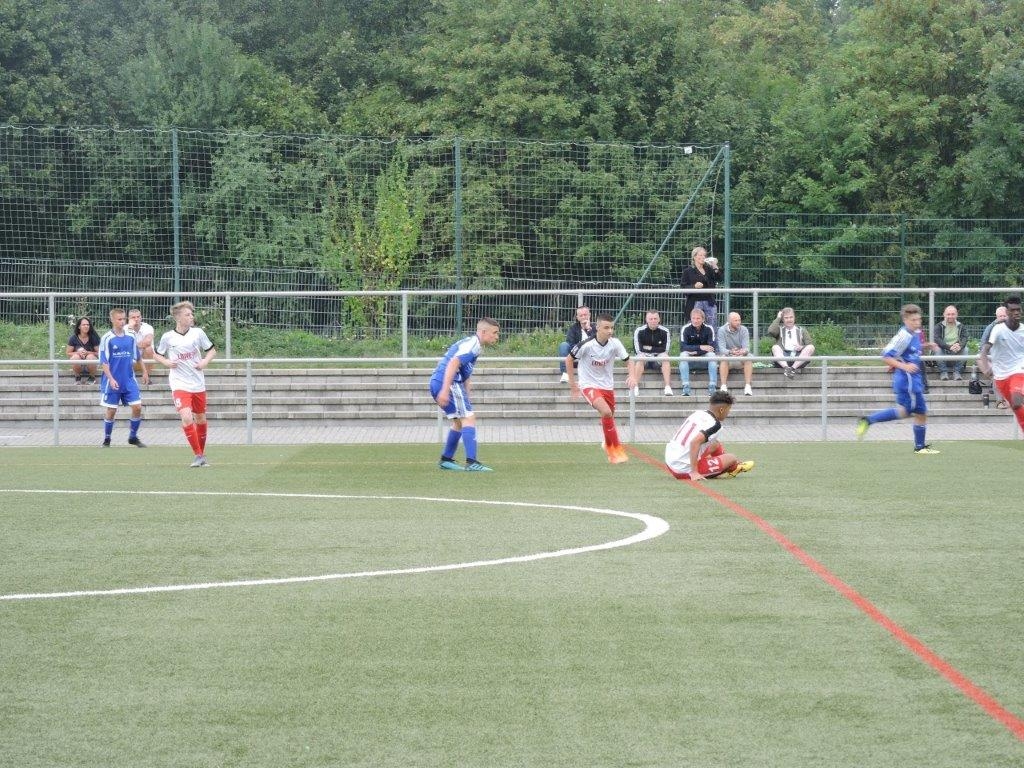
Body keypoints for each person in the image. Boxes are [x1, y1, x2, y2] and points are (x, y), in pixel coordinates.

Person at [855, 303, 940, 453]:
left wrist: (927, 345)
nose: (917, 322)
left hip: (913, 380)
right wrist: (904, 366)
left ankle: (920, 447)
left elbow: (912, 349)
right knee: (906, 412)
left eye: (919, 319)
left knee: (919, 413)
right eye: (913, 320)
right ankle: (868, 420)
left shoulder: (915, 332)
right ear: (905, 320)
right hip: (908, 382)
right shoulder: (903, 336)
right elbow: (886, 356)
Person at [430, 318, 501, 471]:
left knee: (459, 421)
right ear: (483, 332)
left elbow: (464, 373)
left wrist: (467, 394)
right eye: (494, 333)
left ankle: (446, 459)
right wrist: (445, 389)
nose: (497, 337)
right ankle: (472, 462)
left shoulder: (474, 345)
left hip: (438, 381)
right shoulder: (473, 344)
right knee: (468, 418)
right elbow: (453, 363)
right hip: (447, 382)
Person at [153, 300, 217, 468]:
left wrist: (204, 362)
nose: (191, 317)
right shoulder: (168, 337)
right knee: (187, 417)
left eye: (191, 314)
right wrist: (166, 362)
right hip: (179, 383)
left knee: (200, 418)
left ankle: (201, 455)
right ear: (178, 318)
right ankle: (198, 455)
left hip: (197, 382)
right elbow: (157, 354)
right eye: (188, 315)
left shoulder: (198, 333)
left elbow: (212, 350)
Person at [566, 312, 635, 464]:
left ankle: (606, 443)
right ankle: (614, 452)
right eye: (606, 328)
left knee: (609, 417)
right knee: (606, 412)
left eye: (612, 328)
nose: (610, 331)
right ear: (597, 327)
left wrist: (632, 376)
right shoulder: (586, 344)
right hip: (588, 385)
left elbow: (629, 361)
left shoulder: (615, 343)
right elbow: (569, 359)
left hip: (607, 386)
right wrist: (573, 385)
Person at [664, 390, 755, 481]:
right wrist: (694, 472)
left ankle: (729, 466)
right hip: (682, 469)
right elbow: (694, 442)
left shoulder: (698, 413)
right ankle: (732, 466)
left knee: (715, 444)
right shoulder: (715, 425)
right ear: (721, 410)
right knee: (732, 458)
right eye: (729, 409)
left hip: (670, 459)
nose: (728, 412)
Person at [98, 307, 145, 448]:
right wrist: (111, 379)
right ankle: (107, 439)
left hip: (129, 379)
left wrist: (144, 372)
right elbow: (104, 362)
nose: (122, 321)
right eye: (119, 319)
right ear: (112, 320)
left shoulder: (130, 336)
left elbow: (137, 356)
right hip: (113, 380)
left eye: (123, 319)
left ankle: (133, 437)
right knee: (111, 411)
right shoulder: (107, 338)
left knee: (137, 407)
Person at [978, 295, 1024, 431]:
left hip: (1018, 370)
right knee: (1016, 408)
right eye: (1013, 310)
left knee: (1016, 401)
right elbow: (985, 349)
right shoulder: (998, 329)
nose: (1016, 312)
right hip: (1000, 376)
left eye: (1018, 310)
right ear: (1007, 312)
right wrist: (986, 367)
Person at [630, 309, 673, 396]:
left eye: (655, 318)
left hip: (658, 358)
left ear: (659, 319)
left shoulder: (665, 331)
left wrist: (649, 348)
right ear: (646, 319)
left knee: (665, 357)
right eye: (651, 319)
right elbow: (638, 350)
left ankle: (668, 387)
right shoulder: (639, 331)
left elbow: (665, 350)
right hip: (644, 358)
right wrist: (656, 349)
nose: (653, 321)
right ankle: (635, 387)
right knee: (640, 357)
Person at [679, 307, 718, 396]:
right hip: (690, 358)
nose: (695, 321)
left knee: (712, 355)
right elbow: (683, 347)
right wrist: (701, 347)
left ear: (703, 319)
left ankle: (712, 386)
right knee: (683, 355)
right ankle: (686, 386)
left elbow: (712, 347)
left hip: (703, 358)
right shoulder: (685, 328)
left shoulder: (709, 328)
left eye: (698, 318)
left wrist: (696, 351)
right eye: (693, 318)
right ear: (691, 318)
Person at [680, 246, 721, 330]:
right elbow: (683, 287)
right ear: (694, 257)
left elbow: (719, 278)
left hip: (709, 302)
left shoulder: (709, 269)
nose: (703, 257)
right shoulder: (688, 271)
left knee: (712, 325)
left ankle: (712, 339)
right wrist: (694, 286)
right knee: (694, 325)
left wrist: (715, 266)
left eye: (704, 255)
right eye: (700, 255)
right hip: (695, 302)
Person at [767, 307, 816, 378]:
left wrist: (802, 347)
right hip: (783, 359)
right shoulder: (779, 330)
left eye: (791, 317)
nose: (789, 320)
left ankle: (791, 369)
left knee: (811, 347)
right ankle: (787, 368)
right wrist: (778, 317)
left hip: (798, 359)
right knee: (775, 347)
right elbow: (771, 331)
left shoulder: (802, 330)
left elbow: (809, 345)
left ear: (794, 318)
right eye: (786, 318)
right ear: (782, 319)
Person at [717, 311, 753, 396]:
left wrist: (743, 351)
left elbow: (747, 347)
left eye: (739, 320)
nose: (738, 322)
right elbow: (721, 349)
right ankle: (723, 386)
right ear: (729, 321)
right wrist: (730, 352)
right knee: (723, 358)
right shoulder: (722, 330)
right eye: (735, 320)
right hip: (728, 357)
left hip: (740, 357)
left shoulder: (744, 329)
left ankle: (748, 386)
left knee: (748, 358)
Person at [978, 304, 1008, 407]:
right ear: (996, 317)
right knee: (996, 374)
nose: (1002, 318)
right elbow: (982, 346)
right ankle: (1000, 401)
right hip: (993, 358)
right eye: (1000, 316)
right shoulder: (990, 328)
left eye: (1004, 316)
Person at [557, 306, 595, 383]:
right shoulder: (573, 328)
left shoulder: (595, 328)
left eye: (585, 315)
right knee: (563, 345)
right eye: (581, 315)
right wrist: (581, 348)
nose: (583, 317)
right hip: (576, 358)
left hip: (591, 359)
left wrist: (588, 329)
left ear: (589, 315)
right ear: (577, 318)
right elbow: (570, 344)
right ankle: (565, 373)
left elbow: (596, 344)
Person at [932, 305, 968, 381]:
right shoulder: (939, 326)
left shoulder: (961, 326)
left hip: (956, 353)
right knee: (937, 348)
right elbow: (937, 339)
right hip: (943, 354)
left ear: (956, 314)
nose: (950, 316)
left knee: (966, 349)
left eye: (953, 314)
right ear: (944, 315)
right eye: (948, 314)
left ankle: (957, 372)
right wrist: (949, 347)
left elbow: (965, 338)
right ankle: (943, 372)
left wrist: (960, 346)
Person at [66, 316, 100, 384]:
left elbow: (99, 353)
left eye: (88, 325)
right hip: (78, 365)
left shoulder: (93, 337)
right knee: (75, 357)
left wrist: (88, 353)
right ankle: (77, 377)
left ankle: (92, 377)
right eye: (84, 325)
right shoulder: (73, 338)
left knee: (90, 357)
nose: (86, 326)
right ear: (79, 327)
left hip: (91, 364)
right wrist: (78, 353)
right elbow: (68, 353)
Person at [126, 308, 155, 385]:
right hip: (131, 360)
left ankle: (147, 377)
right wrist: (130, 328)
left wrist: (131, 346)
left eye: (138, 317)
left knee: (148, 349)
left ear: (141, 317)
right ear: (129, 319)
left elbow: (147, 342)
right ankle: (126, 379)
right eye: (133, 317)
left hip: (145, 361)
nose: (136, 319)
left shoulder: (148, 327)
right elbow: (124, 345)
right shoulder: (125, 328)